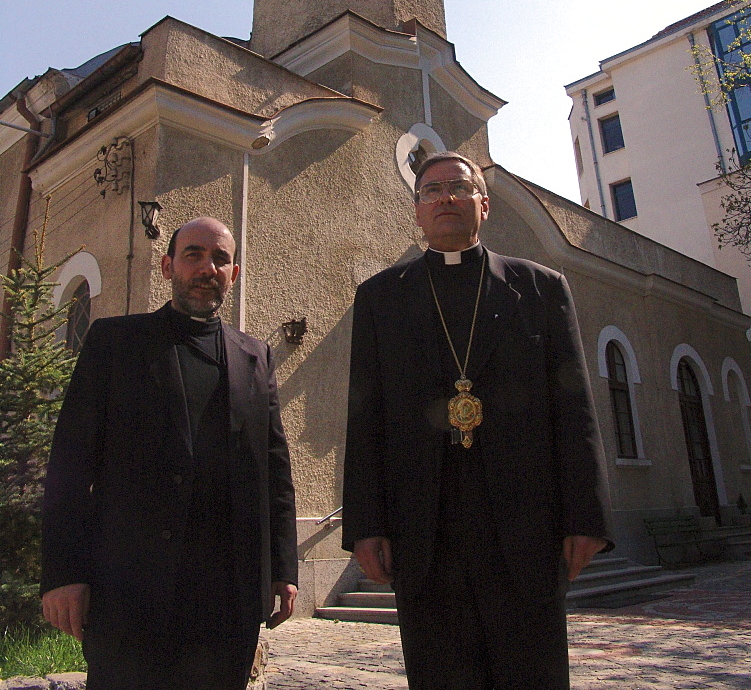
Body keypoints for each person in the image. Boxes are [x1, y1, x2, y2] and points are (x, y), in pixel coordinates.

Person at [342, 152, 613, 690]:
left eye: (459, 188)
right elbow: (365, 419)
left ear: (483, 205)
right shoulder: (379, 298)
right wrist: (366, 526)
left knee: (530, 672)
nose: (445, 198)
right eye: (431, 191)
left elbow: (574, 408)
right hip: (425, 531)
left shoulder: (540, 288)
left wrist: (587, 517)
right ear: (417, 212)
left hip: (525, 529)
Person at [41, 216, 298, 690]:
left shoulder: (255, 356)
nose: (207, 267)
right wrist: (63, 573)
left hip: (226, 602)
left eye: (221, 258)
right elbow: (69, 467)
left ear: (234, 274)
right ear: (167, 266)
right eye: (194, 255)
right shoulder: (114, 343)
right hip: (128, 592)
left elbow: (274, 472)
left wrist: (282, 569)